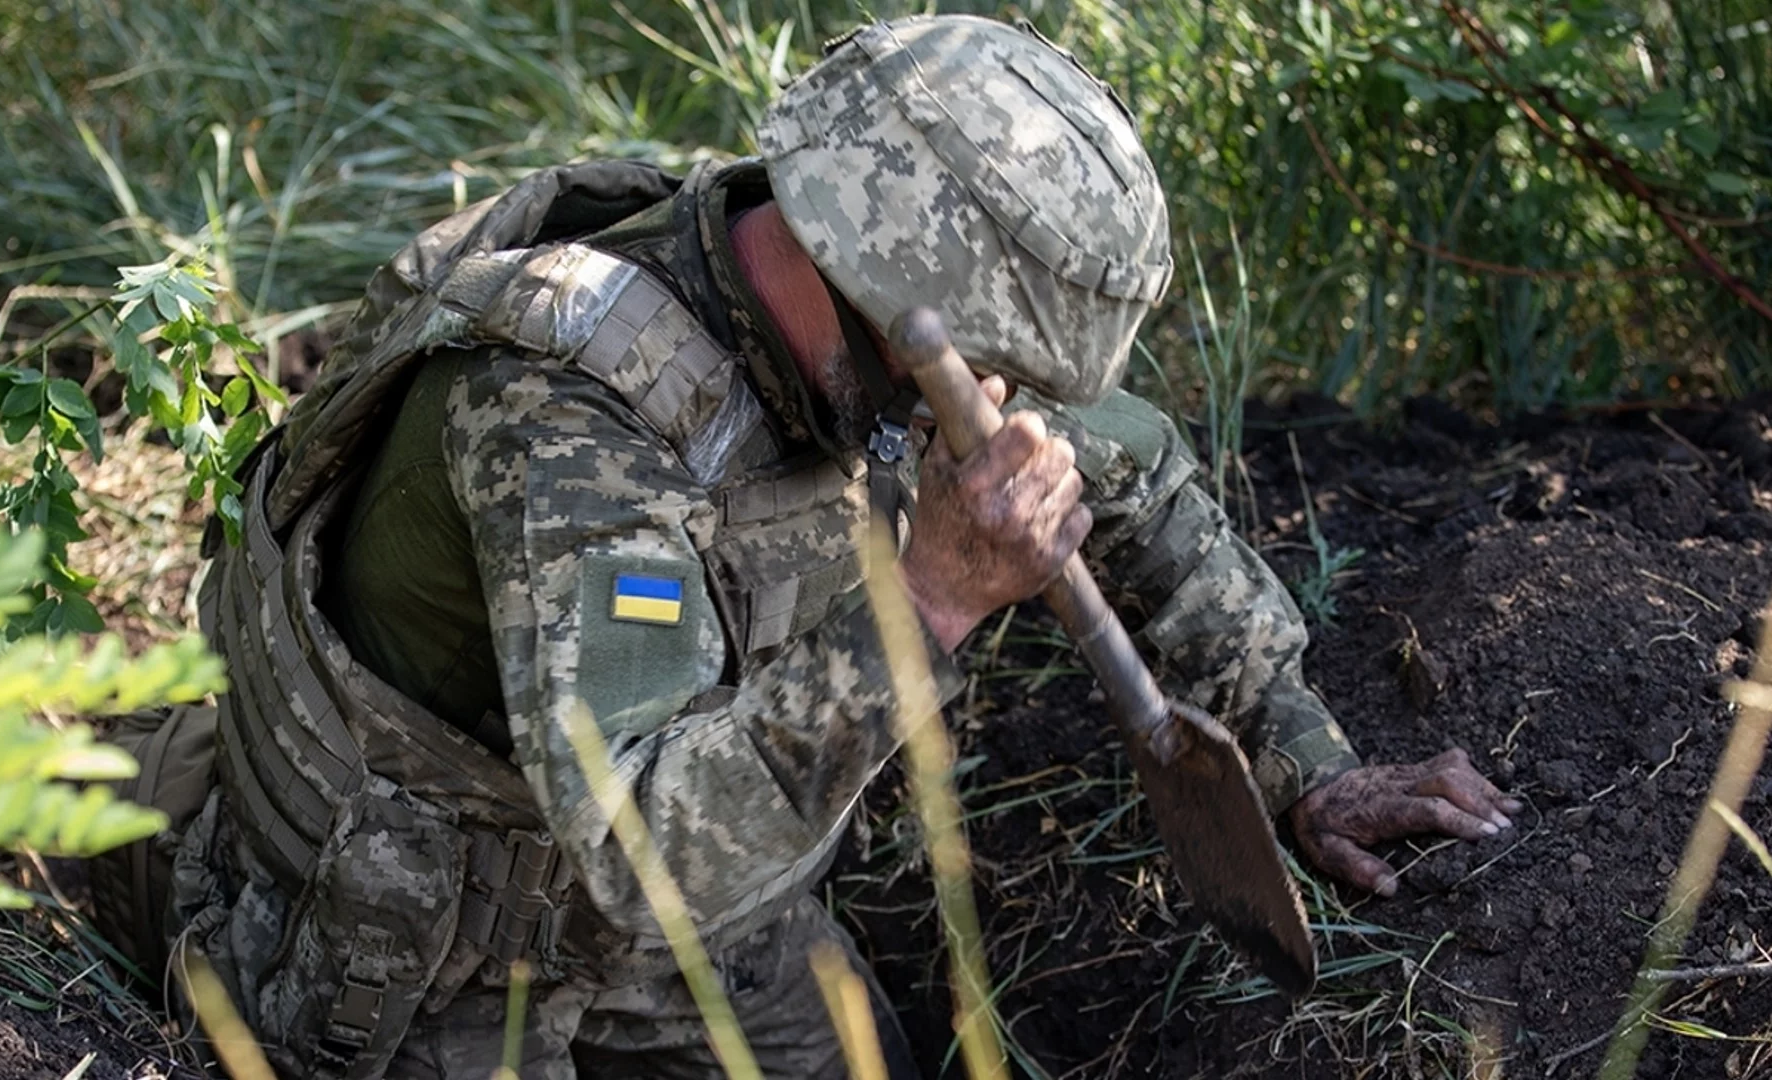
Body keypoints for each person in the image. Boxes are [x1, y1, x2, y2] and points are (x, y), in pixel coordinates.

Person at [95, 14, 1521, 1079]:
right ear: (885, 290)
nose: (1005, 419)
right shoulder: (566, 421)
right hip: (424, 963)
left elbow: (1131, 469)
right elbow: (640, 848)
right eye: (995, 376)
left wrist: (1305, 763)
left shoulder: (883, 339)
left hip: (717, 934)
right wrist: (931, 599)